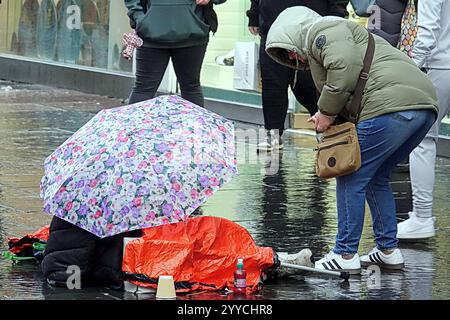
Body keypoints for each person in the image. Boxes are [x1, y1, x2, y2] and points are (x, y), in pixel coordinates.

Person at [265, 6, 438, 274]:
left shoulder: (322, 31)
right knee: (376, 177)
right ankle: (387, 250)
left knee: (350, 176)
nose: (292, 58)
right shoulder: (344, 32)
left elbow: (344, 68)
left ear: (293, 35)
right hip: (422, 108)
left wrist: (325, 112)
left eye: (289, 52)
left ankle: (344, 254)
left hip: (390, 107)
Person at [246, 0, 350, 152]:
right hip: (273, 26)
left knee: (312, 85)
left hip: (311, 26)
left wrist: (336, 16)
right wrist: (254, 15)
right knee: (272, 85)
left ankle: (324, 132)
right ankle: (273, 133)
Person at [397, 0, 450, 240]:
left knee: (423, 140)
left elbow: (427, 31)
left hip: (440, 64)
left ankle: (422, 217)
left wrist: (408, 68)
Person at [124, 0, 226, 107]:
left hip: (192, 33)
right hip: (152, 34)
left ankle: (193, 124)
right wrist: (139, 18)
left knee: (189, 88)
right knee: (144, 89)